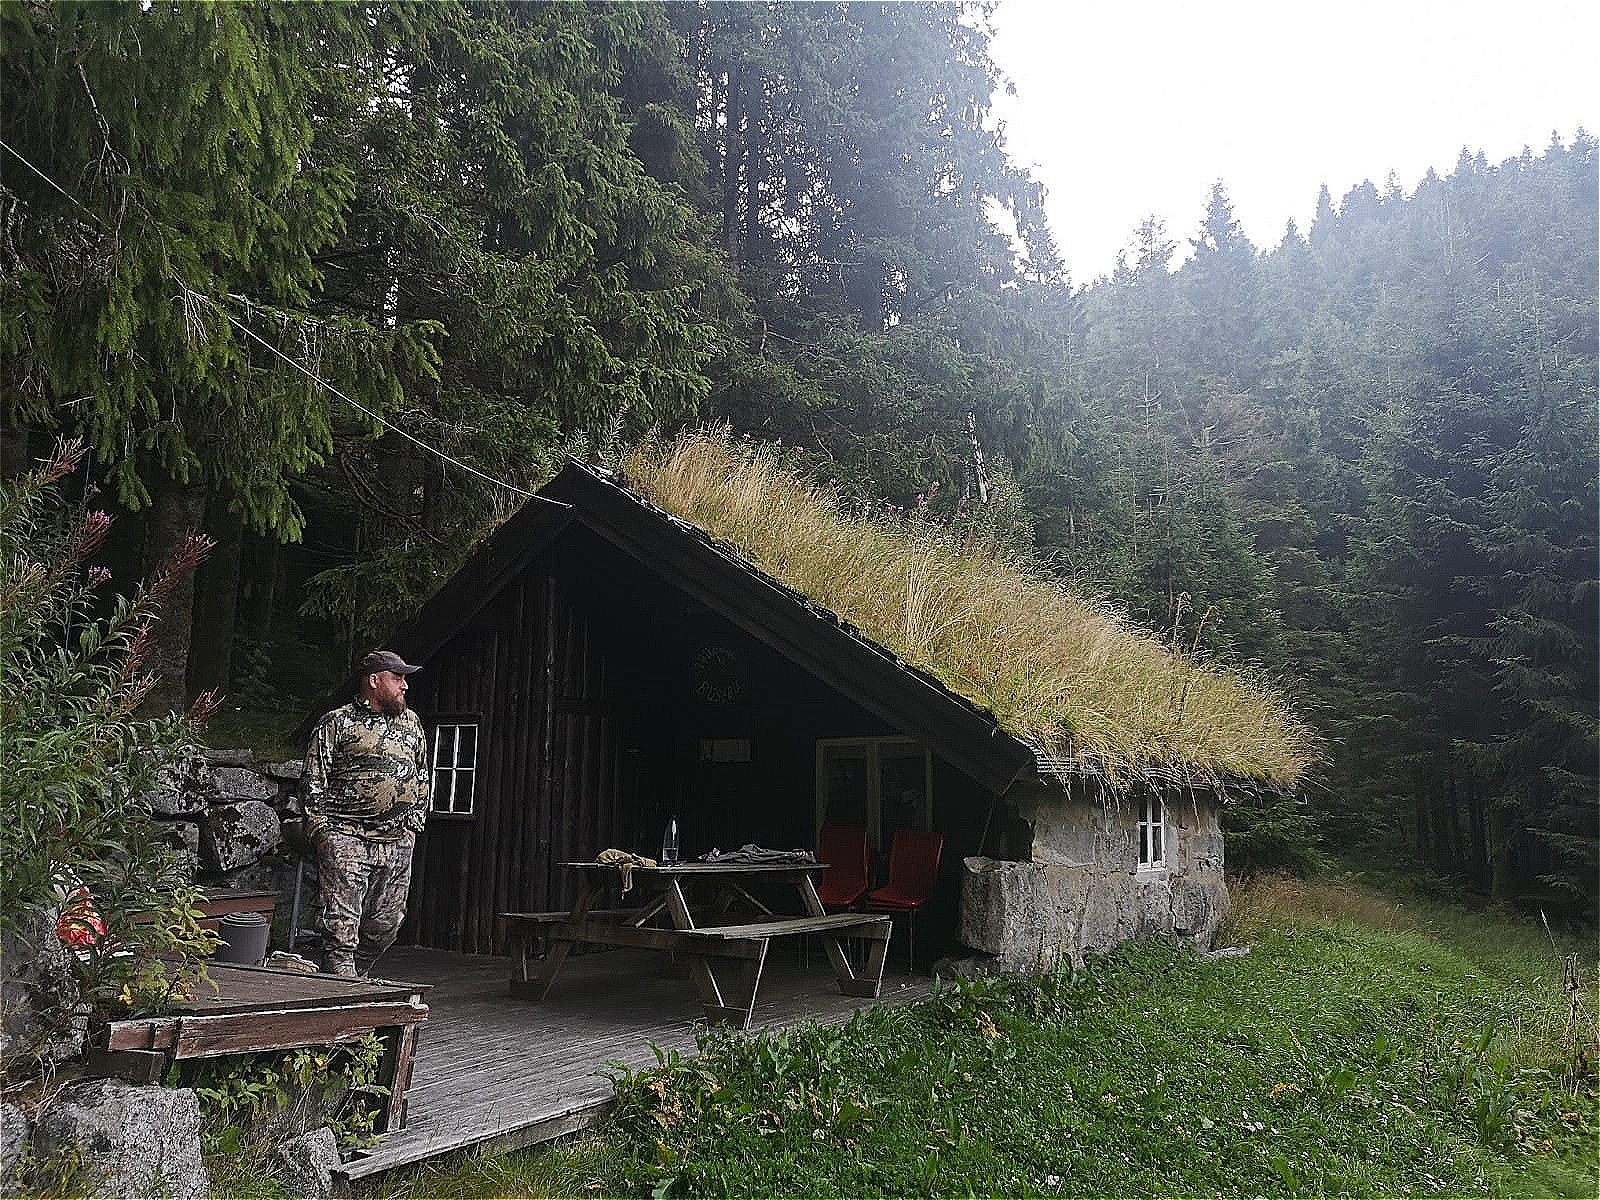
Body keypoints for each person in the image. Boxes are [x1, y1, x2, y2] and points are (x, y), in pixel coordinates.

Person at [300, 649, 430, 977]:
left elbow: (422, 775)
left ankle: (352, 979)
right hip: (346, 836)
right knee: (340, 930)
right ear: (374, 681)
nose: (405, 686)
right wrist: (322, 833)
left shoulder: (412, 723)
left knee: (387, 924)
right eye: (397, 678)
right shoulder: (336, 722)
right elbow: (313, 779)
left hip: (396, 840)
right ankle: (342, 989)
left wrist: (413, 828)